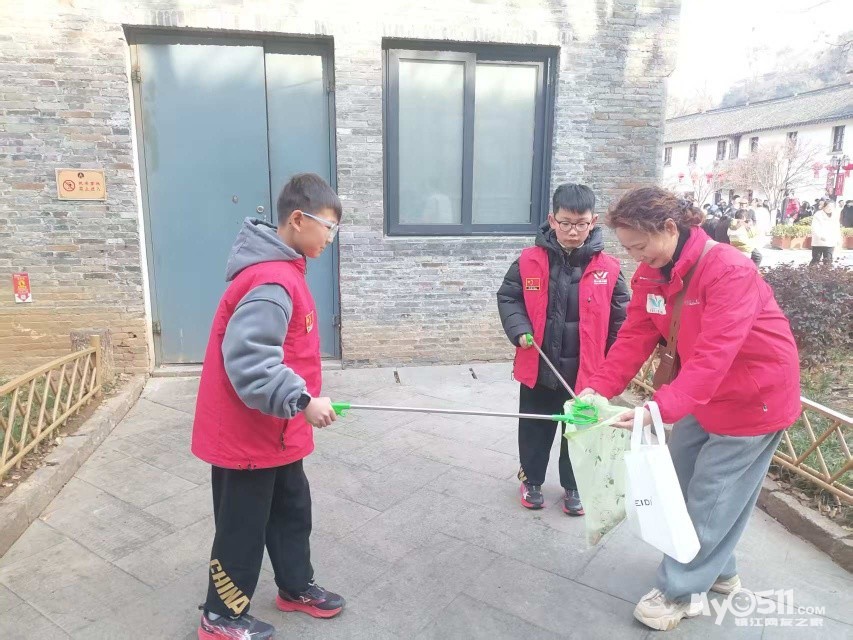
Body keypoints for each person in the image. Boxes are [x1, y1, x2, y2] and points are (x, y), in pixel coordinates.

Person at [578, 186, 800, 632]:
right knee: (676, 484)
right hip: (700, 393)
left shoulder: (728, 270)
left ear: (669, 227)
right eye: (628, 249)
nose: (636, 257)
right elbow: (635, 335)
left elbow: (715, 355)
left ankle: (679, 591)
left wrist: (655, 409)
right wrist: (597, 390)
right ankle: (719, 570)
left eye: (640, 246)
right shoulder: (651, 274)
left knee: (713, 495)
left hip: (753, 397)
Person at [192, 173, 345, 640]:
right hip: (247, 438)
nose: (331, 237)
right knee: (242, 527)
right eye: (328, 227)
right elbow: (251, 362)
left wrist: (298, 407)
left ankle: (295, 587)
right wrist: (303, 400)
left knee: (292, 510)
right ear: (298, 219)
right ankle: (221, 615)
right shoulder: (271, 281)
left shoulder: (288, 272)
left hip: (277, 432)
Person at [497, 183, 630, 515]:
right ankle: (531, 481)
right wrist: (519, 329)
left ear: (593, 221)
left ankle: (575, 487)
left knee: (581, 431)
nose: (573, 231)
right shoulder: (528, 261)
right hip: (539, 368)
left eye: (581, 223)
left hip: (586, 376)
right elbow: (509, 297)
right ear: (552, 220)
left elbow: (622, 322)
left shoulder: (610, 268)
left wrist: (611, 367)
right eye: (566, 222)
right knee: (535, 427)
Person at [810, 200, 841, 265]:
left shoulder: (835, 215)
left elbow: (837, 228)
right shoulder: (818, 214)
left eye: (832, 207)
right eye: (828, 206)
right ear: (824, 207)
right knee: (816, 259)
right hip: (819, 241)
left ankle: (827, 271)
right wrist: (820, 236)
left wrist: (838, 239)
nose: (830, 208)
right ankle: (811, 271)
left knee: (828, 260)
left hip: (830, 241)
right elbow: (815, 227)